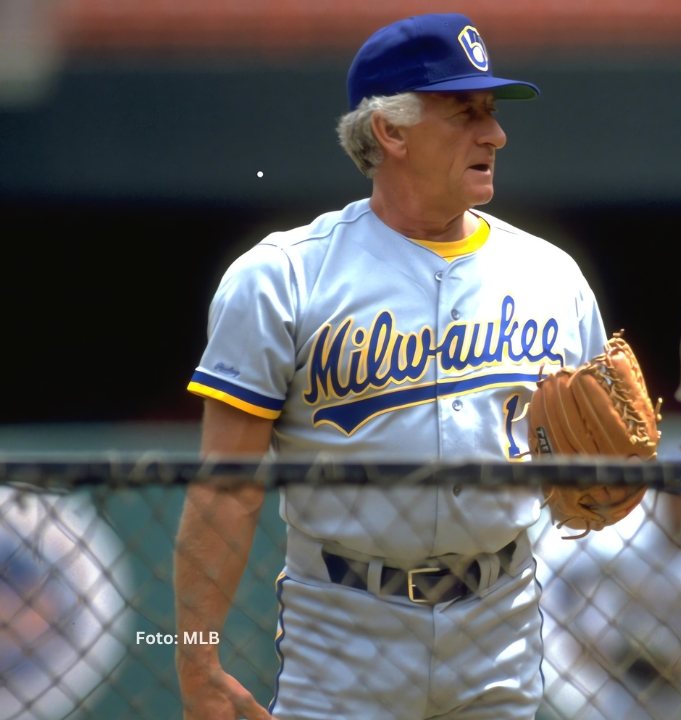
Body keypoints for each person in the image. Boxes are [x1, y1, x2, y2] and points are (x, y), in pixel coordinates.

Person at [173, 13, 608, 719]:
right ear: (390, 132)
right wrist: (196, 662)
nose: (494, 134)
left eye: (491, 113)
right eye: (465, 112)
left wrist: (608, 483)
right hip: (343, 633)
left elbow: (592, 467)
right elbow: (225, 491)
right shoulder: (282, 278)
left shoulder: (550, 275)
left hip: (499, 626)